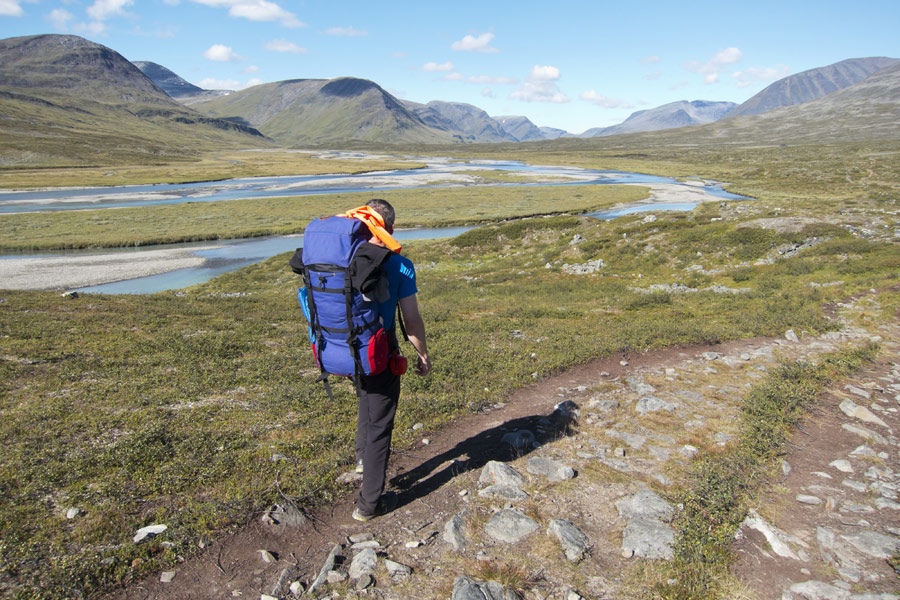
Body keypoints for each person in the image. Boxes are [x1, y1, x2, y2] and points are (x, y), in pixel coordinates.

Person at [352, 198, 431, 522]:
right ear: (391, 229)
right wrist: (422, 353)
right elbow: (411, 320)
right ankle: (369, 504)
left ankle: (362, 461)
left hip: (346, 348)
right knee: (381, 424)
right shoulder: (401, 265)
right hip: (380, 351)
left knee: (366, 399)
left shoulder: (344, 258)